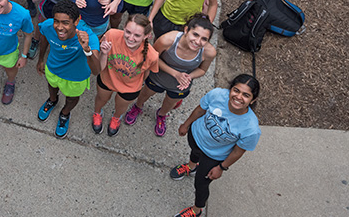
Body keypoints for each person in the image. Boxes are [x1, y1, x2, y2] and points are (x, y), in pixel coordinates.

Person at [170, 75, 261, 217]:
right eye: (236, 90)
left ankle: (197, 210)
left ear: (253, 100)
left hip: (214, 155)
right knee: (194, 152)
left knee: (201, 184)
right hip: (196, 135)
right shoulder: (217, 94)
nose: (238, 97)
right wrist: (186, 124)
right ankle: (191, 167)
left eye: (246, 95)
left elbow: (238, 151)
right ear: (230, 89)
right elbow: (200, 110)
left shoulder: (251, 128)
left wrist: (221, 167)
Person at [124, 14, 217, 136]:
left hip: (180, 85)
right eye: (195, 34)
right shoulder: (167, 40)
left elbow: (202, 70)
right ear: (186, 30)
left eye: (204, 39)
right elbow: (152, 58)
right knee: (146, 93)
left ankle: (161, 115)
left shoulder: (209, 52)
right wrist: (175, 73)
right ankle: (138, 106)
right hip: (157, 77)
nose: (198, 42)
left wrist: (190, 76)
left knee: (170, 102)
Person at [36, 0, 101, 138]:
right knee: (52, 86)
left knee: (72, 98)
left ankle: (65, 114)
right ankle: (52, 101)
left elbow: (96, 70)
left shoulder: (89, 38)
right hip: (53, 68)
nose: (59, 27)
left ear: (77, 21)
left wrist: (87, 49)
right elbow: (44, 37)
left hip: (76, 77)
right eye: (57, 21)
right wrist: (40, 59)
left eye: (65, 22)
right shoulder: (48, 26)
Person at [92, 14, 159, 137]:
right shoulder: (111, 35)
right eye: (128, 32)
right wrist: (104, 53)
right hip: (107, 79)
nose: (131, 38)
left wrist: (138, 84)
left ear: (146, 36)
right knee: (101, 99)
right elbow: (99, 69)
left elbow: (146, 74)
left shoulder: (152, 55)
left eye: (137, 35)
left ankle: (116, 118)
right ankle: (97, 113)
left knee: (121, 106)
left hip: (130, 88)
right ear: (123, 27)